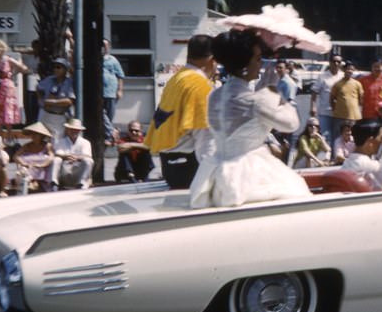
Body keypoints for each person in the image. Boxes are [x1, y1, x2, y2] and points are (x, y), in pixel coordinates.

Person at [189, 29, 311, 208]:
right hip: (248, 173)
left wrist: (262, 91)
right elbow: (292, 124)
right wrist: (272, 90)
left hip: (215, 170)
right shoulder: (257, 101)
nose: (261, 64)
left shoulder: (214, 95)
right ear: (245, 64)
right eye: (258, 59)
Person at [146, 34, 215, 189]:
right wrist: (211, 176)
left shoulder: (176, 79)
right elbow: (204, 137)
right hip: (190, 167)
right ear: (212, 59)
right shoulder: (199, 86)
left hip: (169, 163)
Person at [35, 57, 75, 140]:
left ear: (65, 69)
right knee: (41, 139)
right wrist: (41, 100)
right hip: (45, 114)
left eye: (59, 67)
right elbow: (38, 88)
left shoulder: (69, 82)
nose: (56, 69)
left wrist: (52, 102)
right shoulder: (49, 79)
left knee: (57, 141)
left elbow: (69, 101)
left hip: (59, 116)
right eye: (54, 67)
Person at [310, 54, 344, 145]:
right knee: (325, 136)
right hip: (325, 112)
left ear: (341, 64)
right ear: (330, 63)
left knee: (338, 137)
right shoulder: (322, 76)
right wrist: (313, 107)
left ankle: (335, 157)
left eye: (338, 62)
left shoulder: (343, 76)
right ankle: (326, 158)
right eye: (334, 61)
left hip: (339, 113)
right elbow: (314, 92)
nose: (336, 63)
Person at [12, 122, 55, 193]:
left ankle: (35, 183)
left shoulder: (47, 145)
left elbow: (51, 157)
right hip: (27, 169)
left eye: (36, 134)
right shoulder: (27, 146)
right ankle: (29, 183)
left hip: (42, 170)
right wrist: (23, 163)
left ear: (41, 136)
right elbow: (16, 156)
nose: (33, 136)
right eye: (32, 134)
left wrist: (41, 165)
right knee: (22, 170)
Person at [52, 118, 94, 189]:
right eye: (71, 129)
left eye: (76, 130)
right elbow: (57, 153)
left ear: (80, 131)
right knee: (56, 160)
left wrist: (77, 158)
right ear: (67, 130)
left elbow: (88, 155)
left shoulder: (85, 142)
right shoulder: (60, 141)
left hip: (78, 171)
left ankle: (82, 183)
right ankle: (54, 183)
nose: (74, 131)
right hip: (64, 171)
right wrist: (66, 156)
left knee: (89, 161)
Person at [102, 39, 125, 146]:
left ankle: (108, 137)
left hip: (111, 92)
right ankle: (112, 132)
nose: (103, 47)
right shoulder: (95, 59)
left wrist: (120, 90)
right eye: (102, 45)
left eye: (105, 45)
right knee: (102, 114)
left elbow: (120, 76)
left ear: (109, 47)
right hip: (100, 93)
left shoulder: (113, 60)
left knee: (109, 117)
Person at [330, 61, 364, 136]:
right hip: (339, 116)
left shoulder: (357, 84)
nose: (350, 71)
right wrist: (335, 109)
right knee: (338, 137)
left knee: (353, 138)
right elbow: (332, 99)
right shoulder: (337, 84)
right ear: (344, 70)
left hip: (354, 116)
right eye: (348, 69)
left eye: (352, 69)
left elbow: (361, 99)